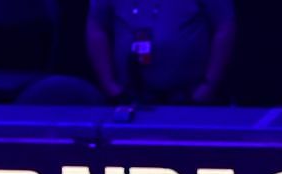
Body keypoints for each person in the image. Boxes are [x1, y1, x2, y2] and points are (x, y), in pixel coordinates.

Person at [86, 0, 236, 104]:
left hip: (187, 97)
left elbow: (225, 26)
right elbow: (96, 27)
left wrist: (207, 87)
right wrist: (110, 85)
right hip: (128, 97)